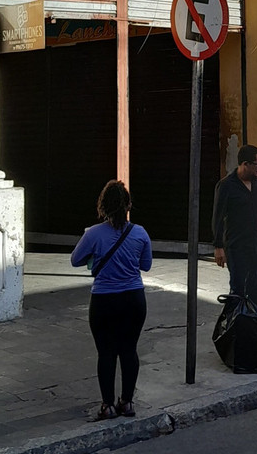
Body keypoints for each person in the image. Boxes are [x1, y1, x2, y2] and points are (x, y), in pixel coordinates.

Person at [71, 180, 153, 420]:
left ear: (102, 206)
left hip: (104, 300)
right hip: (134, 299)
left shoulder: (94, 233)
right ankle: (127, 402)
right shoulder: (140, 233)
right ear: (128, 205)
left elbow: (75, 260)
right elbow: (146, 266)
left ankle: (107, 405)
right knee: (129, 351)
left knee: (106, 353)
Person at [212, 145, 257, 306]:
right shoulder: (226, 185)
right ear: (245, 164)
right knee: (238, 290)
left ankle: (254, 325)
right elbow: (218, 217)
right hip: (237, 247)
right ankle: (235, 324)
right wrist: (218, 247)